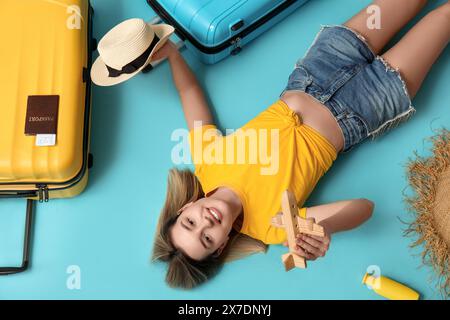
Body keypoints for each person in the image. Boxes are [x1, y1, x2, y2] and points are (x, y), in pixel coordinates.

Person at [151, 0, 450, 289]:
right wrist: (325, 228)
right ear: (220, 247)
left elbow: (190, 94)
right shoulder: (274, 227)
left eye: (189, 223)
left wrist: (173, 55)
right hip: (368, 102)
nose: (205, 223)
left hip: (322, 66)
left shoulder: (206, 161)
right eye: (206, 239)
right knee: (443, 19)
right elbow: (363, 209)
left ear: (186, 207)